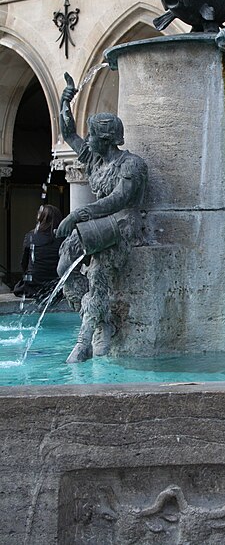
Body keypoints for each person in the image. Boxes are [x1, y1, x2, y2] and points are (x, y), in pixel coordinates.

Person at [56, 72, 148, 363]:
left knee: (97, 273)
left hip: (124, 225)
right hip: (100, 223)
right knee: (63, 264)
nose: (88, 139)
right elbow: (69, 135)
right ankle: (100, 316)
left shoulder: (131, 164)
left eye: (92, 134)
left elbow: (119, 200)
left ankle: (84, 341)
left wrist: (79, 214)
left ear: (105, 139)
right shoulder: (95, 158)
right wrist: (64, 104)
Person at [14, 204, 65, 301]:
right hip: (56, 286)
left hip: (33, 286)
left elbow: (24, 263)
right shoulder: (64, 238)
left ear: (40, 218)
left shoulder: (31, 236)